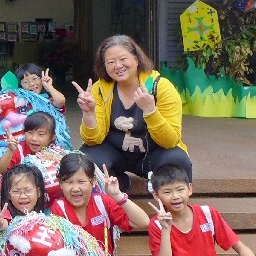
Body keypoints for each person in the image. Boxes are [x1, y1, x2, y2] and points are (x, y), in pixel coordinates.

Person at [74, 35, 191, 192]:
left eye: (123, 59)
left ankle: (168, 200)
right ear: (105, 67)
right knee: (85, 160)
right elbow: (93, 140)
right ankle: (120, 183)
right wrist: (89, 113)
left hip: (154, 154)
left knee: (178, 160)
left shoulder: (161, 87)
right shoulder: (100, 89)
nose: (118, 66)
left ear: (137, 59)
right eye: (111, 62)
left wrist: (151, 110)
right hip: (116, 153)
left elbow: (170, 141)